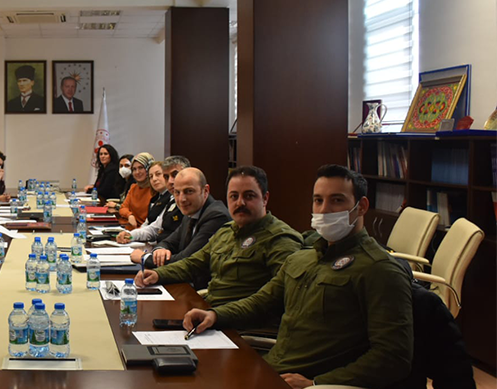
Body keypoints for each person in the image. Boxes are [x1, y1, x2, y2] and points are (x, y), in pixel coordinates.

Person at [181, 165, 413, 389]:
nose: (324, 210)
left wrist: (317, 384)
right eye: (318, 200)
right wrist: (214, 315)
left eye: (337, 200)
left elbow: (392, 357)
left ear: (361, 206)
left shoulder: (379, 270)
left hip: (305, 381)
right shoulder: (302, 259)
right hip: (268, 367)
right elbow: (260, 302)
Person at [136, 165, 301, 302]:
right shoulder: (227, 231)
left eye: (249, 196)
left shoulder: (280, 238)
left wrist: (216, 315)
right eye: (234, 196)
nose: (240, 203)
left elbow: (274, 299)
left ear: (265, 198)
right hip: (211, 312)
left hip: (240, 328)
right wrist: (157, 274)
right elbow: (192, 264)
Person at [130, 167, 231, 272]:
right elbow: (168, 242)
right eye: (177, 192)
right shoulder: (191, 210)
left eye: (189, 191)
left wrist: (145, 258)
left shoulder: (216, 216)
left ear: (205, 191)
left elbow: (187, 259)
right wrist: (160, 250)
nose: (182, 199)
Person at [117, 156, 189, 245]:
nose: (170, 181)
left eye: (175, 175)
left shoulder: (199, 209)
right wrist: (130, 236)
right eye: (166, 176)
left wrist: (148, 257)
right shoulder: (169, 200)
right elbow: (154, 228)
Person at [118, 153, 157, 230]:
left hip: (146, 231)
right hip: (131, 228)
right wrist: (130, 215)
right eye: (134, 169)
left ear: (149, 169)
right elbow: (123, 208)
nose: (137, 172)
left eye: (141, 168)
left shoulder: (155, 189)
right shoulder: (134, 187)